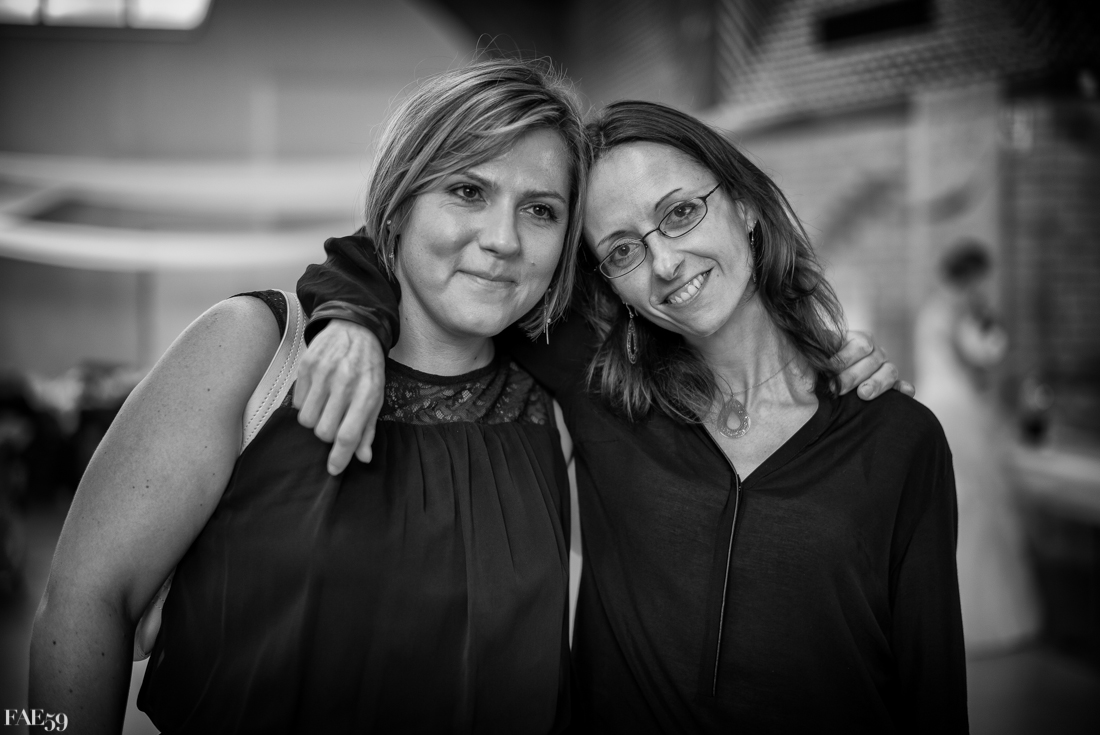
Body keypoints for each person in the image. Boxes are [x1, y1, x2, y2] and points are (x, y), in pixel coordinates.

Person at [294, 101, 968, 731]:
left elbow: (932, 687)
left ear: (743, 205)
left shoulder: (897, 438)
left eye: (680, 213)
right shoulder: (599, 384)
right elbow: (414, 248)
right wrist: (353, 317)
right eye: (622, 250)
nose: (665, 263)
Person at [30, 58, 590, 733]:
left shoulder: (555, 411)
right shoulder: (254, 347)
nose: (503, 240)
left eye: (540, 210)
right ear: (399, 204)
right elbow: (86, 599)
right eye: (468, 190)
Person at [916, 240, 1040, 652]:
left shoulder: (933, 307)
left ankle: (945, 616)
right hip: (958, 410)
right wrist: (990, 335)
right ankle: (980, 619)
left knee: (958, 505)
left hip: (934, 405)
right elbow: (978, 361)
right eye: (981, 277)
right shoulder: (956, 310)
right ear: (970, 275)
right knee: (975, 505)